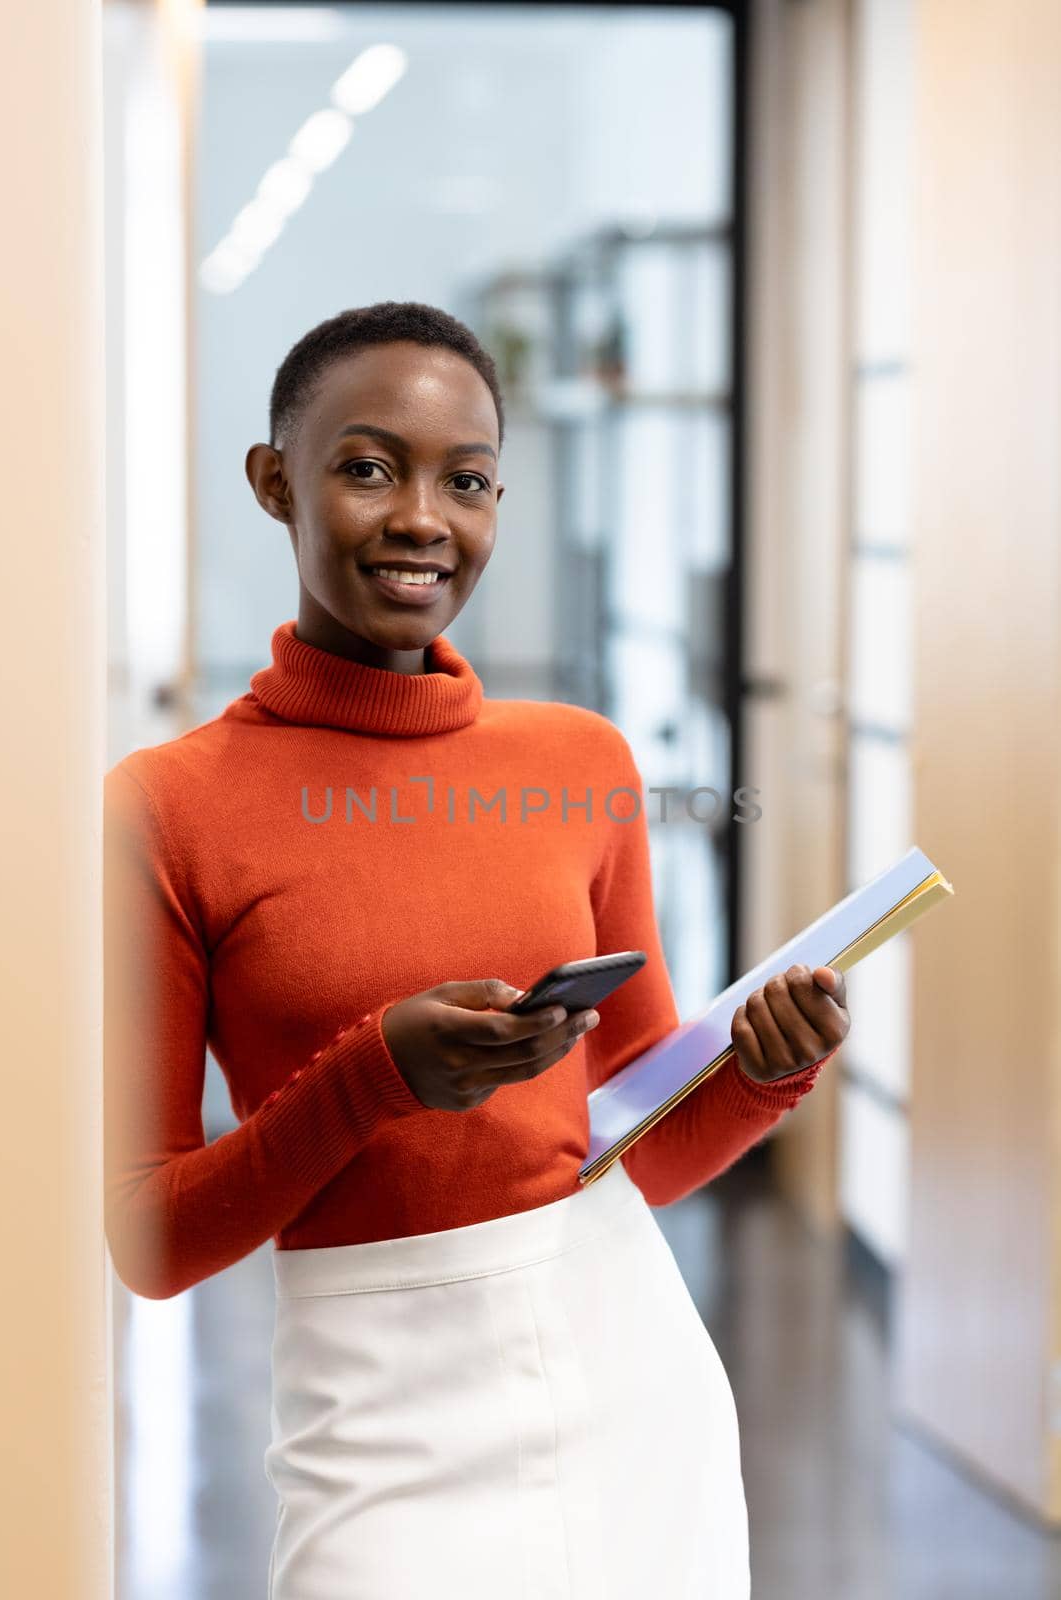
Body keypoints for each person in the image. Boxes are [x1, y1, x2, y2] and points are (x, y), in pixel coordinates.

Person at [103, 301, 850, 1599]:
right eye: (367, 466)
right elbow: (149, 1243)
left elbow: (643, 1149)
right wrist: (372, 1075)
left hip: (625, 1364)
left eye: (468, 480)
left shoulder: (580, 761)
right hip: (374, 1406)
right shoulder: (168, 806)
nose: (421, 520)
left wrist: (764, 1070)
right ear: (275, 481)